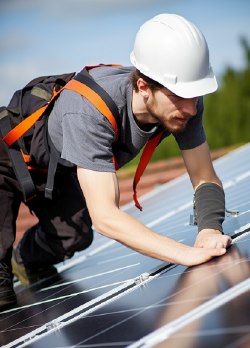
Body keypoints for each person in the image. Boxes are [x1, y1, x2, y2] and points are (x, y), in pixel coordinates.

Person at [0, 14, 232, 310]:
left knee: (75, 237)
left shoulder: (186, 102)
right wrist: (185, 254)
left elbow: (204, 175)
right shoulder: (88, 112)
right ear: (144, 86)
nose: (190, 107)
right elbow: (106, 217)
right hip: (6, 154)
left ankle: (26, 260)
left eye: (194, 94)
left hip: (55, 164)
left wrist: (209, 230)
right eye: (178, 96)